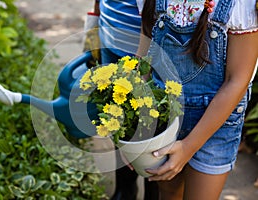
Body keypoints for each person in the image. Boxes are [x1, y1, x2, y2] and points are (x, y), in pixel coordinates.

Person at [134, 0, 258, 199]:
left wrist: (188, 147)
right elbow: (145, 57)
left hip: (217, 121)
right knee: (168, 191)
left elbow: (237, 80)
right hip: (165, 115)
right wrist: (133, 133)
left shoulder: (241, 4)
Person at [84, 0, 159, 199]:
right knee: (118, 119)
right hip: (110, 38)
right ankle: (125, 188)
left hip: (144, 48)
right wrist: (95, 23)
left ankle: (153, 191)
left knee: (151, 124)